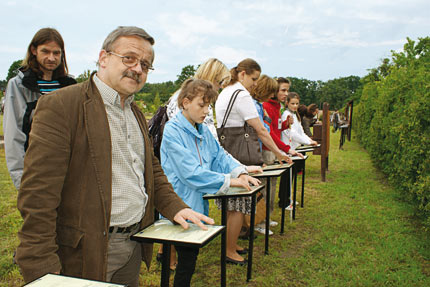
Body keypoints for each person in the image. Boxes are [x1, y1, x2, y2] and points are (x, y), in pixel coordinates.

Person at [15, 26, 213, 287]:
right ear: (103, 57)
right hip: (85, 252)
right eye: (129, 58)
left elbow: (151, 171)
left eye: (146, 64)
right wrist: (42, 270)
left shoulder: (135, 112)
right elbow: (38, 197)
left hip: (133, 245)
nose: (138, 68)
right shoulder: (62, 105)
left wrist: (177, 208)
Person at [158, 58, 261, 270]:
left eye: (208, 106)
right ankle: (169, 262)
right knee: (181, 253)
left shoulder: (200, 127)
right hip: (178, 197)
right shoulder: (174, 129)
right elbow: (190, 172)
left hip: (195, 197)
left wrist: (240, 171)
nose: (207, 111)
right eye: (202, 106)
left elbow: (218, 155)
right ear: (186, 103)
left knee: (189, 257)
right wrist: (229, 180)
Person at [215, 58, 291, 265]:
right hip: (239, 154)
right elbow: (260, 130)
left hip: (228, 150)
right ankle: (229, 250)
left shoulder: (227, 91)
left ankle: (232, 244)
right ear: (242, 74)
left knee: (233, 205)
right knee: (238, 205)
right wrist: (279, 152)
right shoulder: (241, 94)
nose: (255, 84)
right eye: (254, 78)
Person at [3, 28, 77, 189]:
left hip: (69, 173)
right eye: (46, 51)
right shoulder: (19, 85)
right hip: (37, 172)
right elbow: (13, 135)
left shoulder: (70, 86)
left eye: (56, 53)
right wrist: (22, 181)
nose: (51, 58)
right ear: (34, 50)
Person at [263, 77, 303, 211]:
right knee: (267, 185)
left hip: (274, 150)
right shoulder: (266, 106)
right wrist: (285, 149)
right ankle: (262, 218)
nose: (286, 94)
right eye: (283, 90)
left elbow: (276, 129)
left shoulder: (277, 107)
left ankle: (267, 216)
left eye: (288, 90)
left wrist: (286, 124)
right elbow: (269, 133)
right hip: (267, 149)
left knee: (273, 183)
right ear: (274, 90)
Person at [167, 58, 231, 139]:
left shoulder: (181, 94)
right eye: (220, 82)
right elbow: (210, 137)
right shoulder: (200, 100)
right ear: (212, 78)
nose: (221, 86)